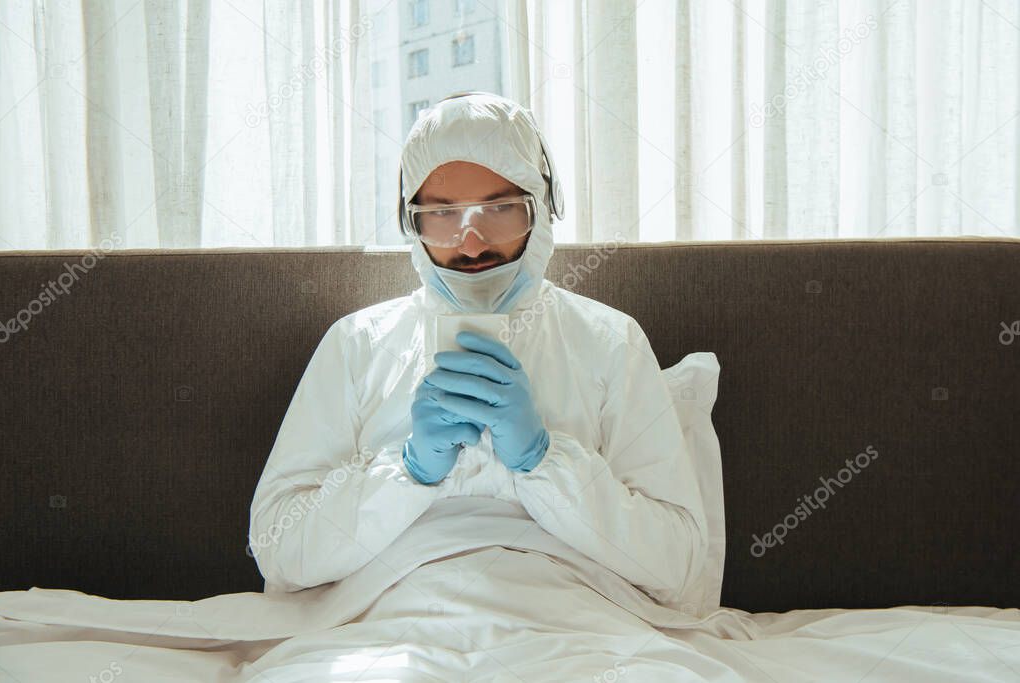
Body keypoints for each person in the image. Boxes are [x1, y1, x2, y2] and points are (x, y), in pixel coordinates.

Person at [248, 91, 708, 615]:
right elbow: (278, 550)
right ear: (410, 221)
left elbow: (677, 562)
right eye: (441, 214)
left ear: (542, 208)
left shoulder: (609, 341)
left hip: (576, 618)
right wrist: (407, 471)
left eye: (498, 209)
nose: (470, 243)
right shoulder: (357, 344)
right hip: (391, 617)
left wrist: (545, 460)